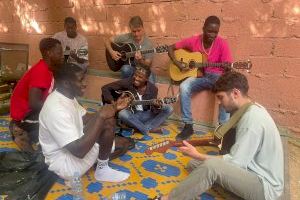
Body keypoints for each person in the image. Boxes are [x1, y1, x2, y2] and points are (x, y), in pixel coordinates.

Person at [156, 71, 284, 200]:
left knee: (211, 167)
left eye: (221, 97)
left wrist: (198, 155)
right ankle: (195, 189)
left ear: (235, 93)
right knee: (194, 164)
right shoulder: (249, 108)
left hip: (264, 187)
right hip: (250, 169)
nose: (218, 102)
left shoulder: (251, 120)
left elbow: (236, 163)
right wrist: (199, 158)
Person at [39, 63, 132, 182]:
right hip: (66, 165)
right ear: (66, 83)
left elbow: (86, 118)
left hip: (75, 147)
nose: (85, 83)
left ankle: (100, 163)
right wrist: (101, 115)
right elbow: (79, 152)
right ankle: (102, 169)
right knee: (109, 125)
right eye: (80, 80)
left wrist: (114, 108)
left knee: (123, 142)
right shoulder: (56, 109)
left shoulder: (66, 97)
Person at [168, 15, 231, 140]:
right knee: (184, 86)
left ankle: (223, 129)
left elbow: (228, 67)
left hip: (217, 77)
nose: (212, 35)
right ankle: (188, 125)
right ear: (203, 29)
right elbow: (170, 48)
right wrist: (177, 63)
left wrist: (227, 67)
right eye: (209, 31)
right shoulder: (194, 41)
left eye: (215, 32)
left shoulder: (222, 44)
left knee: (226, 89)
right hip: (201, 76)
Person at [9, 37, 63, 149]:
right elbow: (33, 103)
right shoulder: (41, 71)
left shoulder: (48, 69)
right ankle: (20, 130)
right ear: (49, 53)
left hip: (30, 113)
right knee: (55, 130)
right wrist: (58, 109)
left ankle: (25, 132)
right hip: (24, 115)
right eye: (59, 53)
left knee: (60, 120)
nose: (62, 56)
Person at [101, 65, 173, 135]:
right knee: (122, 114)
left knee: (169, 108)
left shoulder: (153, 89)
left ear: (146, 79)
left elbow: (154, 111)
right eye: (135, 75)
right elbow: (105, 88)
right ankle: (146, 129)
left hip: (144, 114)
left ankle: (140, 127)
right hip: (130, 115)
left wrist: (157, 106)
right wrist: (114, 104)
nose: (136, 78)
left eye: (140, 77)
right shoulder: (128, 82)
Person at [104, 15, 156, 83]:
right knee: (125, 69)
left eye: (138, 31)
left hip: (142, 69)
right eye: (134, 31)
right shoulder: (127, 37)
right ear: (130, 29)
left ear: (143, 28)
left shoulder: (148, 44)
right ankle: (126, 89)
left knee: (151, 79)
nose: (136, 34)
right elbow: (107, 40)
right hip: (130, 68)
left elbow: (147, 65)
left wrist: (140, 60)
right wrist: (111, 52)